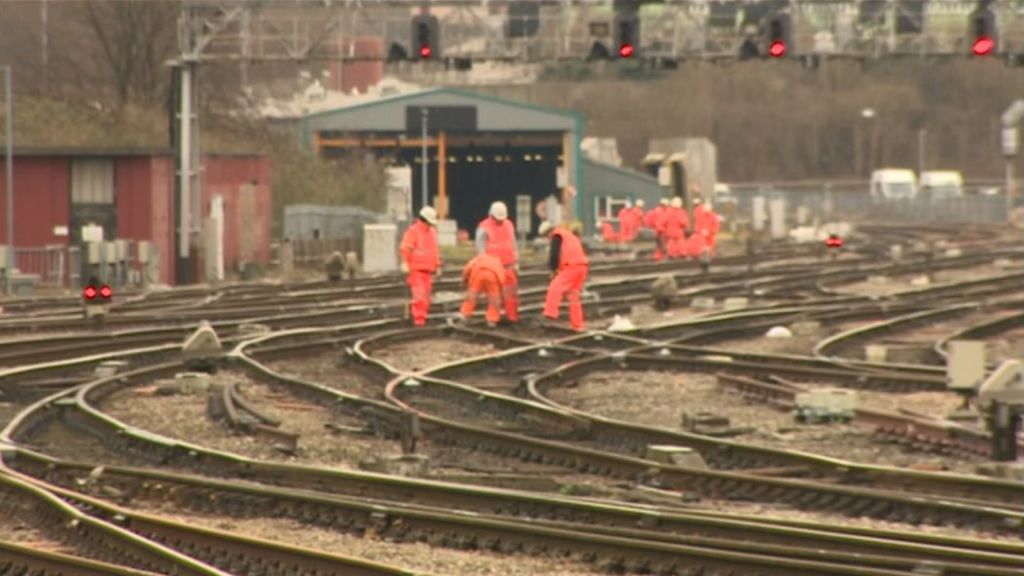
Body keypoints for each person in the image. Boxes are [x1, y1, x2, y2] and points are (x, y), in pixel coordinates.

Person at [538, 221, 589, 332]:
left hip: (571, 266)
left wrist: (553, 270)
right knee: (573, 297)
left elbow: (554, 255)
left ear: (548, 232)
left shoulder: (556, 236)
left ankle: (550, 313)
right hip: (582, 267)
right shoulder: (567, 235)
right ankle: (578, 325)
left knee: (554, 288)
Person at [475, 201, 519, 323]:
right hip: (492, 267)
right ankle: (492, 318)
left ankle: (512, 317)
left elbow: (513, 243)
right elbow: (480, 248)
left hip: (508, 264)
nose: (500, 221)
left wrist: (516, 261)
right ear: (491, 215)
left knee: (510, 293)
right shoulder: (484, 227)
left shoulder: (509, 225)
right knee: (493, 294)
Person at [399, 206, 441, 327]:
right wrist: (405, 262)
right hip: (416, 270)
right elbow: (406, 248)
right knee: (419, 296)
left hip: (428, 270)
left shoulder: (432, 233)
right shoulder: (413, 231)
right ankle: (419, 320)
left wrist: (437, 265)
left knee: (426, 297)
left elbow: (435, 250)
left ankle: (422, 317)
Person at [459, 253, 506, 327]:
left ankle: (465, 315)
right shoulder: (497, 261)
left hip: (478, 274)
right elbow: (502, 276)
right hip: (493, 276)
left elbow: (468, 268)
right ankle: (492, 320)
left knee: (472, 296)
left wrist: (464, 280)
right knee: (494, 299)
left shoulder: (479, 257)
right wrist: (500, 289)